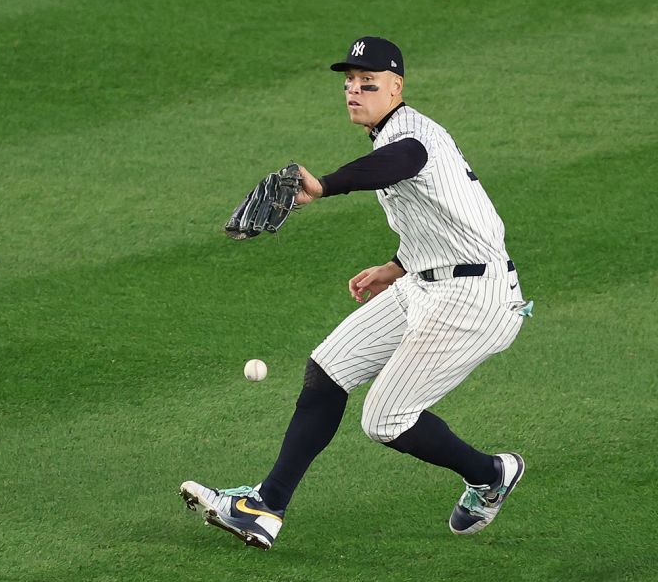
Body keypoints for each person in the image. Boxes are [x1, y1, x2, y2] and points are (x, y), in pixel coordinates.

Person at [181, 35, 532, 550]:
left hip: (475, 300)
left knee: (384, 419)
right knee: (328, 368)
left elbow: (399, 163)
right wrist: (395, 266)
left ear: (396, 88)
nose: (354, 92)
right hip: (426, 282)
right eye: (349, 83)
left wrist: (323, 186)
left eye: (368, 84)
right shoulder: (389, 136)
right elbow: (447, 216)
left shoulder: (412, 137)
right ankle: (265, 507)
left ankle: (491, 474)